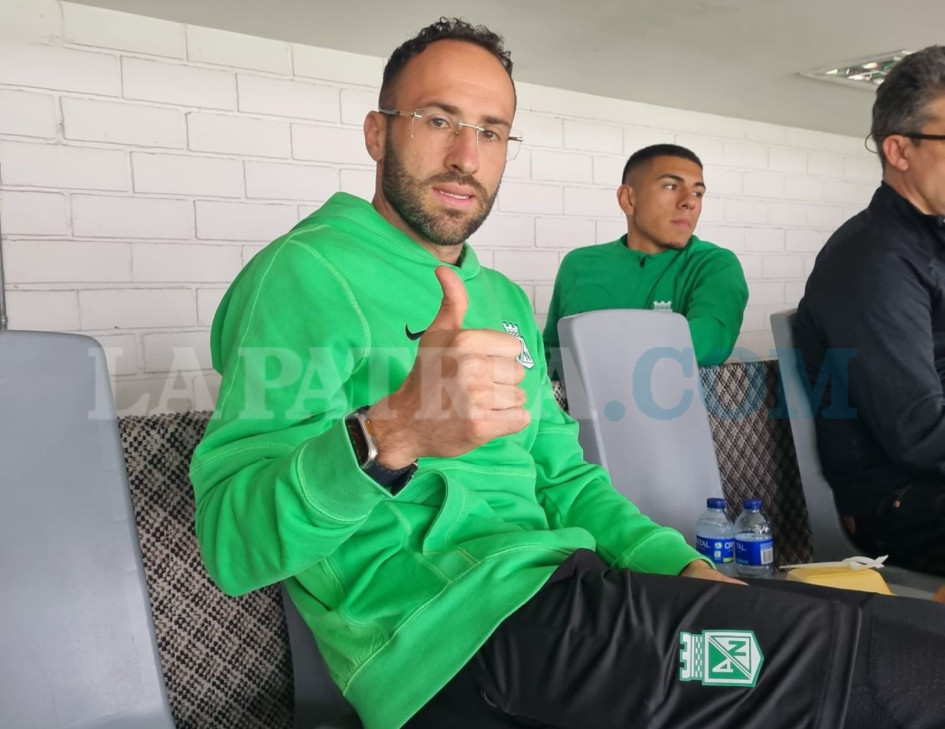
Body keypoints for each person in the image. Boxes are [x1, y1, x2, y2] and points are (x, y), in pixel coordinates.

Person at [191, 20, 945, 729]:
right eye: (437, 119)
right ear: (376, 131)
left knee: (909, 625)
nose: (465, 155)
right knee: (894, 672)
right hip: (458, 644)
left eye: (490, 131)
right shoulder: (302, 273)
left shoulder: (501, 296)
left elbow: (565, 481)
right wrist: (391, 431)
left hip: (577, 601)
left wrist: (677, 564)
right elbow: (232, 544)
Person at [795, 45, 945, 576]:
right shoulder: (873, 259)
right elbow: (920, 431)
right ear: (899, 151)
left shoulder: (931, 243)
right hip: (897, 502)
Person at [542, 144, 748, 376]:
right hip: (570, 412)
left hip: (669, 409)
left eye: (697, 193)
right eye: (671, 186)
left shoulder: (714, 264)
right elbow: (551, 358)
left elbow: (711, 342)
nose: (689, 201)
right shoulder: (578, 264)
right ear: (628, 199)